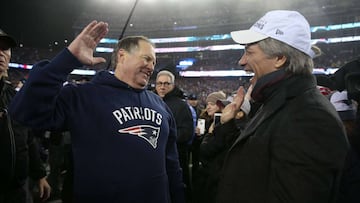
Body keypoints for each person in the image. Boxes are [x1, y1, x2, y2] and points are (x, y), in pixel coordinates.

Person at [9, 21, 184, 203]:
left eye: (154, 62)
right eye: (146, 58)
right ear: (122, 56)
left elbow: (171, 163)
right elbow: (24, 112)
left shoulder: (160, 105)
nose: (151, 67)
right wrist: (67, 60)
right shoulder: (82, 95)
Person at [214, 10, 349, 202]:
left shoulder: (310, 117)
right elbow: (258, 160)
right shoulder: (279, 102)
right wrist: (229, 126)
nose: (242, 61)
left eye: (249, 52)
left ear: (279, 58)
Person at [0, 29, 51, 202]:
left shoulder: (14, 97)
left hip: (17, 191)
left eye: (5, 49)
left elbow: (28, 138)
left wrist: (39, 175)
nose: (1, 53)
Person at [155, 70, 194, 202]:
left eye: (166, 83)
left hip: (175, 159)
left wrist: (163, 138)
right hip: (157, 160)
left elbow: (187, 133)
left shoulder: (182, 106)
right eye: (159, 83)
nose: (162, 87)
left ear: (173, 85)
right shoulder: (151, 101)